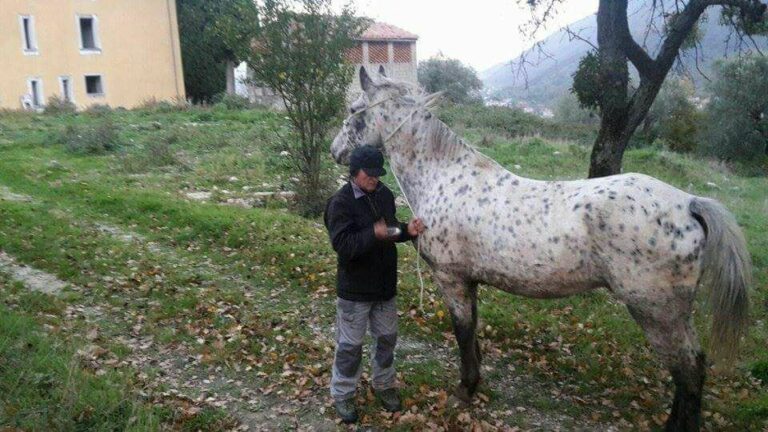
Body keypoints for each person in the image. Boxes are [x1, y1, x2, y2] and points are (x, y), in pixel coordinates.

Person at [323, 145, 426, 423]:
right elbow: (343, 245)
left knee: (386, 340)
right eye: (370, 174)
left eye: (378, 174)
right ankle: (343, 394)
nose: (375, 179)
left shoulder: (384, 196)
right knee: (349, 346)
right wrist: (373, 233)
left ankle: (384, 384)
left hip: (384, 287)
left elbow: (389, 230)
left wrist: (407, 231)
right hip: (355, 290)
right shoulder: (340, 203)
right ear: (354, 172)